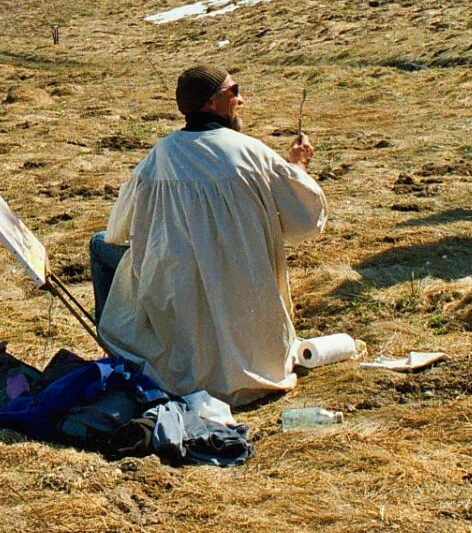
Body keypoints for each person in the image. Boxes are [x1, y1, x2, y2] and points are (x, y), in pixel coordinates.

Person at [92, 65, 327, 405]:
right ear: (210, 104)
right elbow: (305, 222)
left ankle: (115, 355)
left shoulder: (161, 156)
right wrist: (298, 167)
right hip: (250, 327)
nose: (240, 100)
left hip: (176, 297)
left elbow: (117, 231)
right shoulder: (251, 153)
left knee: (99, 245)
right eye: (233, 92)